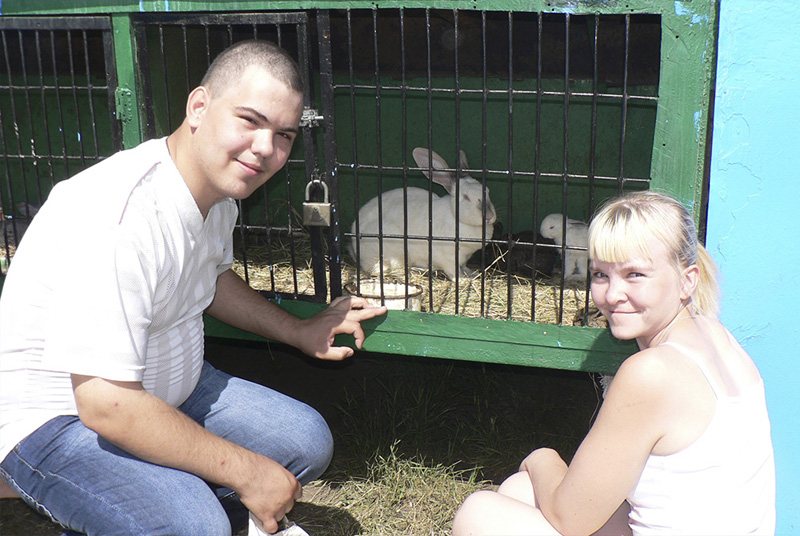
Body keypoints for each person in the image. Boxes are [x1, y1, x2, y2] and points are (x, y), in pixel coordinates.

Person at [0, 40, 386, 535]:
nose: (265, 148)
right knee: (195, 525)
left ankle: (158, 490)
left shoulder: (218, 192)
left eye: (283, 135)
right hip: (64, 418)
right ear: (199, 107)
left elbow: (212, 279)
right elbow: (104, 403)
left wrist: (298, 330)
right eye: (249, 120)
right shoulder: (118, 215)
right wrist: (246, 471)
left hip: (166, 394)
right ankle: (45, 477)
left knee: (304, 443)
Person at [452, 190, 775, 536]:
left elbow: (570, 519)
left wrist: (541, 456)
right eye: (600, 274)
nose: (611, 295)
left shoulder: (652, 373)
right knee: (521, 490)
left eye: (635, 274)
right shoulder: (717, 336)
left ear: (688, 280)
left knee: (479, 512)